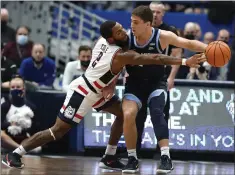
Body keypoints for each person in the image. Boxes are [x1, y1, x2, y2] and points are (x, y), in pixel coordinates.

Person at [2, 20, 205, 169]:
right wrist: (185, 62)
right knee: (58, 131)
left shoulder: (104, 39)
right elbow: (154, 58)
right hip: (82, 92)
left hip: (98, 89)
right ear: (111, 38)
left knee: (123, 114)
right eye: (119, 31)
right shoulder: (120, 55)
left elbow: (116, 55)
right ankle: (15, 154)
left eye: (121, 27)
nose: (124, 32)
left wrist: (111, 82)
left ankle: (109, 156)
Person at [100, 6, 207, 174]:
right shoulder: (126, 39)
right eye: (131, 22)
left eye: (136, 23)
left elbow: (188, 43)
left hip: (156, 84)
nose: (132, 26)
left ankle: (165, 157)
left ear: (148, 24)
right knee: (128, 115)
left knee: (157, 111)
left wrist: (210, 48)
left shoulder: (162, 36)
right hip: (134, 85)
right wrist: (110, 86)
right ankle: (132, 158)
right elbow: (114, 63)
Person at [134, 1, 182, 158]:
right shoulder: (140, 29)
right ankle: (135, 150)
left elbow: (177, 56)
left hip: (161, 79)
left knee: (160, 114)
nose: (155, 14)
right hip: (140, 79)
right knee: (138, 116)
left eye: (158, 12)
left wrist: (171, 78)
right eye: (152, 11)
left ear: (163, 14)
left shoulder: (170, 31)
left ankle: (160, 151)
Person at [1, 75, 41, 154]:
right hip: (8, 141)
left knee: (38, 147)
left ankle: (19, 149)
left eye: (18, 87)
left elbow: (36, 128)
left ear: (24, 89)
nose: (15, 89)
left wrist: (24, 125)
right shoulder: (5, 105)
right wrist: (10, 123)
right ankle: (19, 149)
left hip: (23, 138)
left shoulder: (31, 106)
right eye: (13, 87)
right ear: (9, 89)